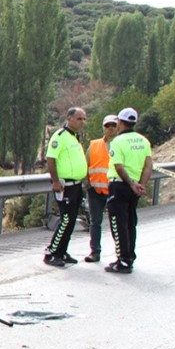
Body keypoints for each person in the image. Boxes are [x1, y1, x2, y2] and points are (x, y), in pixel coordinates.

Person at [104, 107, 152, 274]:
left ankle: (123, 260)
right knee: (131, 222)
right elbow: (148, 167)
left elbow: (118, 166)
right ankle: (129, 256)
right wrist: (141, 185)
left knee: (118, 224)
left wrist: (131, 184)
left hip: (120, 185)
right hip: (135, 188)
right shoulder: (143, 141)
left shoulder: (117, 142)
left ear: (120, 122)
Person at [43, 107, 89, 267]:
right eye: (79, 118)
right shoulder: (60, 136)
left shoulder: (75, 137)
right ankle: (52, 252)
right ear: (69, 118)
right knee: (66, 219)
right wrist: (55, 181)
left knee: (71, 221)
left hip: (76, 185)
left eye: (84, 119)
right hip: (65, 186)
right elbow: (51, 159)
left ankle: (62, 251)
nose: (82, 122)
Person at [83, 114, 119, 263]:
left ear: (118, 127)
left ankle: (121, 254)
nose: (110, 129)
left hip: (115, 190)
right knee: (95, 222)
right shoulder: (94, 145)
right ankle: (95, 252)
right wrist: (87, 181)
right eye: (107, 126)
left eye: (113, 125)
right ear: (103, 127)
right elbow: (85, 164)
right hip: (95, 191)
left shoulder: (121, 144)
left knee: (117, 223)